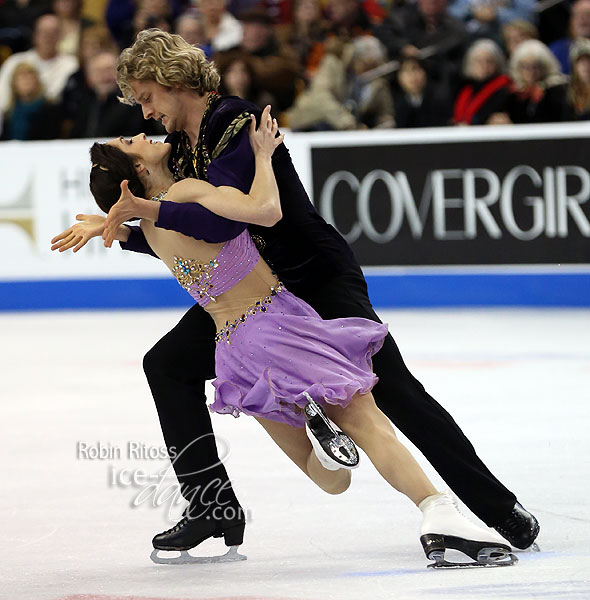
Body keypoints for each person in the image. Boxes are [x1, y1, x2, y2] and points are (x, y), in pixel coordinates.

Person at [64, 29, 541, 560]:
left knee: (396, 393)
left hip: (315, 277)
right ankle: (210, 503)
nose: (147, 115)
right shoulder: (178, 151)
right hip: (260, 298)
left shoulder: (234, 121)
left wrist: (143, 214)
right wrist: (125, 230)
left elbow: (216, 224)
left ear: (170, 78)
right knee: (167, 363)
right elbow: (192, 244)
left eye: (147, 98)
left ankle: (497, 509)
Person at [453, 39, 513, 125]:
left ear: (498, 63)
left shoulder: (505, 90)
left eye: (489, 61)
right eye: (479, 61)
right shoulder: (465, 88)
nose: (484, 66)